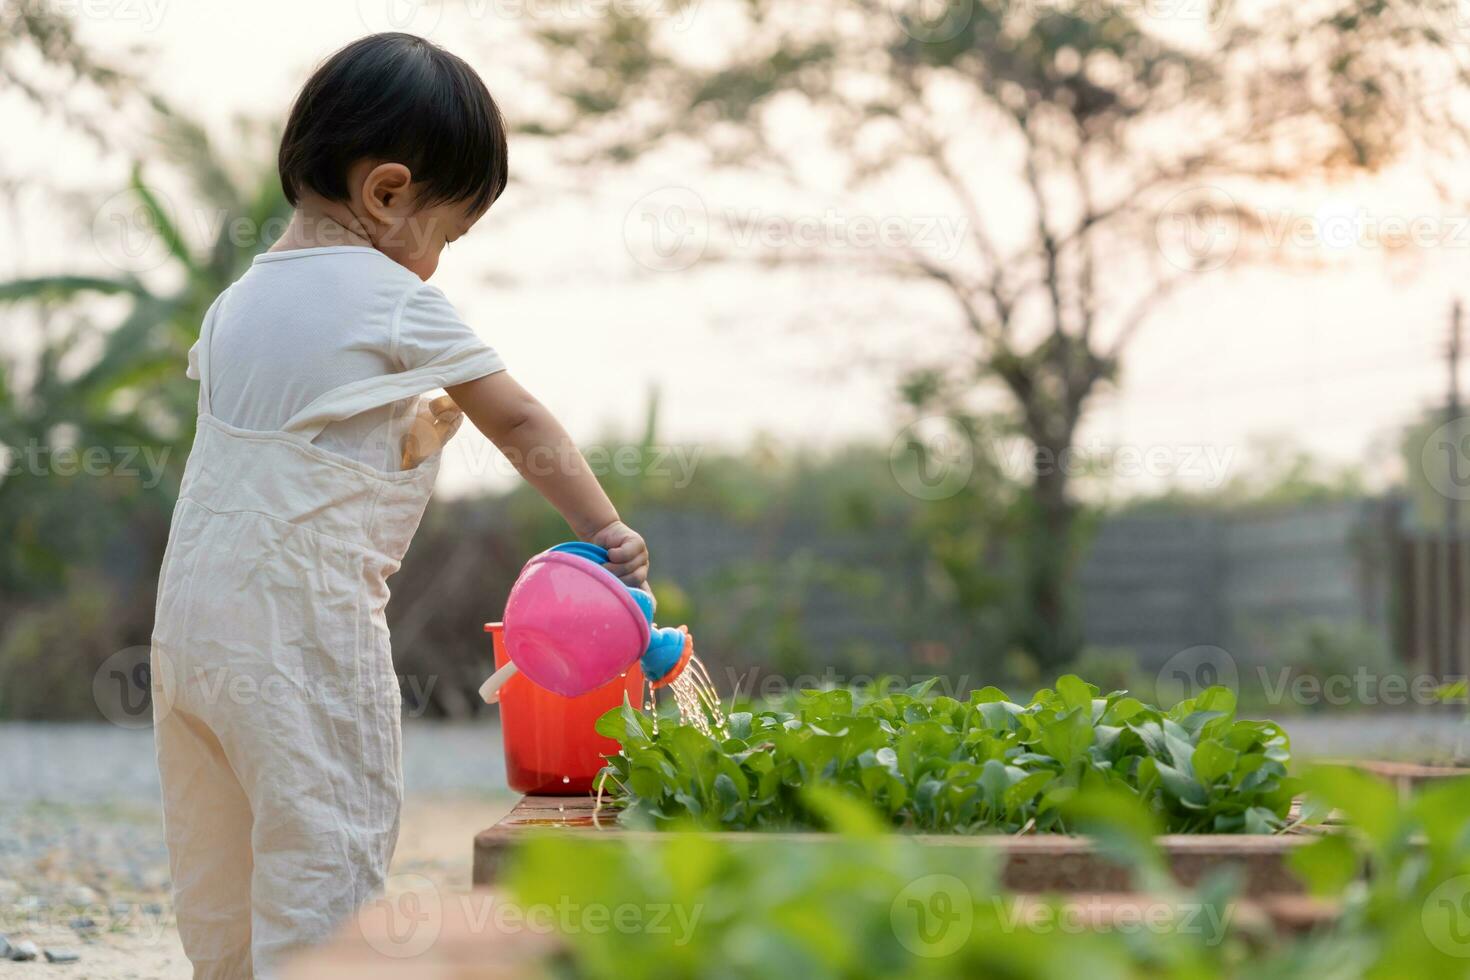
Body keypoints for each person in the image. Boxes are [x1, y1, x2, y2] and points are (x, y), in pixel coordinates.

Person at [149, 32, 648, 978]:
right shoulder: (390, 299)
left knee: (220, 867)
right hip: (301, 644)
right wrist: (602, 526)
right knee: (323, 856)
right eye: (447, 234)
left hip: (187, 640)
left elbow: (286, 458)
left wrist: (409, 443)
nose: (437, 262)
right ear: (387, 193)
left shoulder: (234, 307)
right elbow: (520, 418)